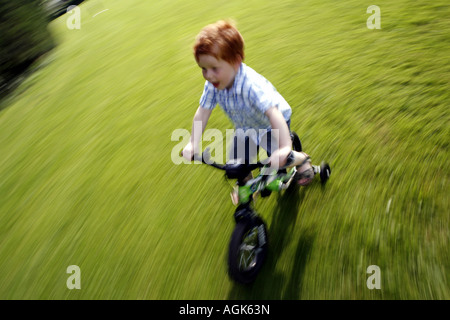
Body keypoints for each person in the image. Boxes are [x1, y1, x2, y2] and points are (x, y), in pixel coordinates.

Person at [182, 20, 314, 186]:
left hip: (270, 124)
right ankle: (247, 195)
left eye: (214, 68)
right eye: (203, 69)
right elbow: (202, 112)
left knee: (280, 158)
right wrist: (193, 143)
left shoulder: (251, 86)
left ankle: (302, 160)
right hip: (245, 127)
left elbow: (274, 114)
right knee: (236, 165)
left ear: (236, 61)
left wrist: (285, 146)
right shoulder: (212, 85)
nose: (208, 75)